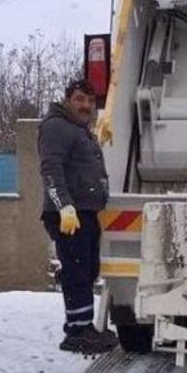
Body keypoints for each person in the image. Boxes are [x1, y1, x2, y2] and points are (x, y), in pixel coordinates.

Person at [38, 79, 118, 354]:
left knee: (86, 270)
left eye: (90, 101)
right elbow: (50, 168)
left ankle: (84, 326)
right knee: (76, 271)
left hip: (84, 211)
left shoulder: (79, 129)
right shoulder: (56, 126)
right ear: (68, 100)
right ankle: (76, 331)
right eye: (80, 99)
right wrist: (64, 206)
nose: (86, 105)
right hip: (68, 214)